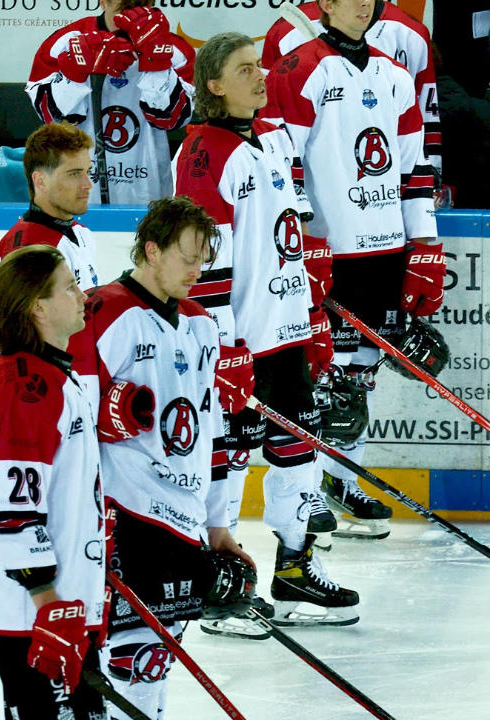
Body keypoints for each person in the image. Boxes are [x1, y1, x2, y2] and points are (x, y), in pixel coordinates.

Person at [175, 32, 356, 632]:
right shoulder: (201, 153)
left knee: (298, 447)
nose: (260, 76)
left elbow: (289, 240)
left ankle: (295, 571)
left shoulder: (271, 139)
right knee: (227, 459)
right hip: (241, 343)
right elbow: (200, 262)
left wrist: (311, 316)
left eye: (260, 66)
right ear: (213, 85)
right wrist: (223, 346)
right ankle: (221, 589)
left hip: (286, 333)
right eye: (244, 69)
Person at [262, 0, 443, 544]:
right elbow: (283, 163)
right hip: (330, 251)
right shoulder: (298, 68)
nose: (363, 3)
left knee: (359, 377)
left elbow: (414, 167)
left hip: (384, 250)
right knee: (323, 378)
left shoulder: (394, 74)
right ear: (327, 3)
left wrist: (424, 245)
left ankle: (342, 480)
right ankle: (309, 489)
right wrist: (301, 243)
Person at [70, 195, 258, 717]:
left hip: (185, 519)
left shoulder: (201, 322)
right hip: (123, 514)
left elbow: (210, 431)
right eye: (188, 258)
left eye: (204, 260)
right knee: (135, 656)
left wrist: (219, 526)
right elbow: (70, 425)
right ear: (152, 250)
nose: (198, 271)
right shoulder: (101, 313)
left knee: (160, 652)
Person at [0, 244, 106, 719]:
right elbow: (6, 511)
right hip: (35, 611)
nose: (83, 296)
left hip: (53, 605)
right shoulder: (28, 386)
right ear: (37, 307)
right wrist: (47, 603)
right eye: (70, 287)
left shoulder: (45, 375)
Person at [26, 0, 194, 206]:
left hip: (147, 190)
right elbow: (52, 119)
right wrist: (73, 74)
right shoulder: (66, 41)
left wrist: (158, 62)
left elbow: (173, 119)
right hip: (77, 191)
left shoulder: (173, 47)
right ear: (103, 2)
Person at [263, 0, 442, 174]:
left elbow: (424, 117)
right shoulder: (285, 33)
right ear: (327, 4)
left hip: (385, 178)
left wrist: (431, 175)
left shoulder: (411, 35)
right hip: (320, 180)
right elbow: (270, 126)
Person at [0, 122, 103, 292]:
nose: (88, 184)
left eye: (88, 172)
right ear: (41, 181)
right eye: (74, 174)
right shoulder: (29, 256)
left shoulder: (81, 233)